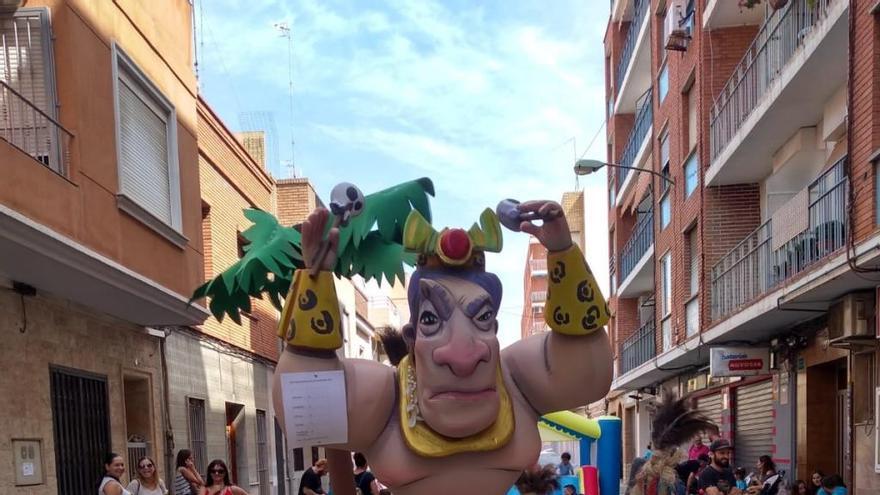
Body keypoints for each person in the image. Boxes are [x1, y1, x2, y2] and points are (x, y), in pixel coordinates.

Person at [270, 199, 612, 495]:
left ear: (496, 329)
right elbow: (308, 408)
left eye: (482, 318)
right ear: (411, 338)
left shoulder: (517, 378)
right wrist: (313, 280)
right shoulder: (383, 396)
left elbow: (588, 375)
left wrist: (563, 253)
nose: (463, 356)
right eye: (432, 321)